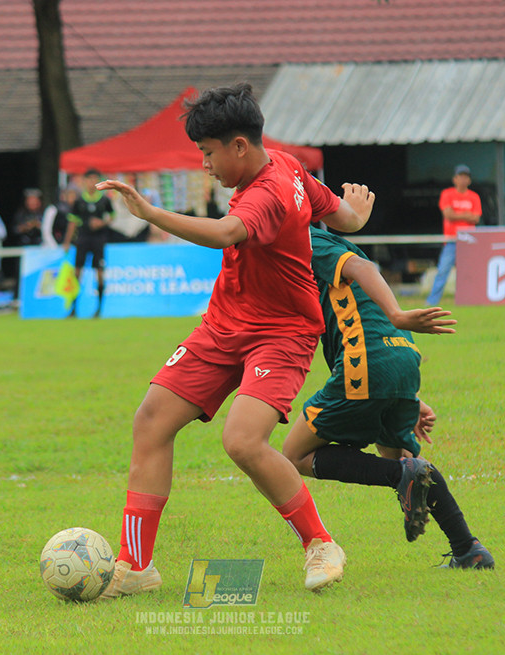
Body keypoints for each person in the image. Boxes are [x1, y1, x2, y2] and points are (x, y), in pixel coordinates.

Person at [94, 83, 373, 597]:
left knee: (242, 440)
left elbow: (226, 234)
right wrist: (359, 212)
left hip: (281, 335)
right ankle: (135, 566)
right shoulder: (289, 166)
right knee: (151, 420)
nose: (205, 165)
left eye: (208, 153)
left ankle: (320, 543)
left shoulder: (268, 191)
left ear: (239, 146)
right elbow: (341, 216)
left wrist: (151, 214)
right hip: (224, 325)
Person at [282, 225, 494, 569]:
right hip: (398, 356)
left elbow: (364, 273)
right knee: (400, 456)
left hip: (367, 363)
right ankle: (468, 548)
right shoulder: (336, 244)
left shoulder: (305, 240)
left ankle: (401, 477)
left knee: (294, 454)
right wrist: (410, 393)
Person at [426, 164, 481, 306]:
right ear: (454, 179)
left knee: (471, 273)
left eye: (465, 177)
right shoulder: (447, 194)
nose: (463, 180)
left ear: (469, 180)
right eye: (460, 176)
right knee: (442, 271)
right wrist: (466, 215)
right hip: (451, 240)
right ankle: (432, 302)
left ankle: (471, 300)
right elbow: (448, 214)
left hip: (468, 241)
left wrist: (459, 215)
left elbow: (476, 218)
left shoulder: (474, 197)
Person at [68, 168, 114, 317]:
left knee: (99, 273)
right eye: (89, 179)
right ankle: (73, 308)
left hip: (98, 239)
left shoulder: (104, 200)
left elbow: (112, 217)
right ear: (84, 181)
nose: (92, 182)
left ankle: (99, 309)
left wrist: (101, 223)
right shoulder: (79, 200)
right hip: (83, 239)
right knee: (77, 272)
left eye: (95, 179)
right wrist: (66, 241)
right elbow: (73, 222)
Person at [40, 186, 78, 251]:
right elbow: (46, 231)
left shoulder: (77, 210)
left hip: (71, 248)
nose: (73, 198)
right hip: (54, 248)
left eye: (74, 195)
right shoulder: (52, 209)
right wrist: (55, 248)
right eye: (69, 194)